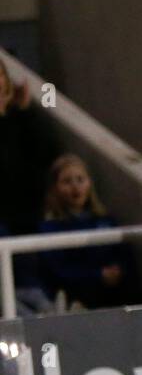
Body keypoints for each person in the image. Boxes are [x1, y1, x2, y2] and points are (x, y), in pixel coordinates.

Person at [38, 154, 141, 310]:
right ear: (55, 188)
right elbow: (58, 271)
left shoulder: (106, 220)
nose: (75, 187)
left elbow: (126, 256)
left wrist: (118, 271)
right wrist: (97, 275)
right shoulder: (50, 228)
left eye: (80, 179)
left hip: (115, 299)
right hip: (75, 303)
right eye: (67, 181)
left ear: (89, 183)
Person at [0, 57, 60, 316]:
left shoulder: (23, 116)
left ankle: (46, 317)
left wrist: (27, 110)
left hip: (26, 217)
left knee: (30, 287)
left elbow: (49, 151)